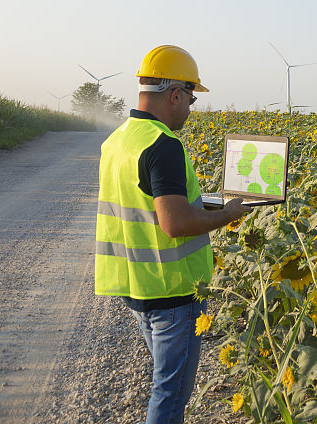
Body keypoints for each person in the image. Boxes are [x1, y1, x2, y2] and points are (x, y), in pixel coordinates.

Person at [94, 45, 247, 424]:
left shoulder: (117, 141)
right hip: (174, 292)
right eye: (191, 98)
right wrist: (227, 214)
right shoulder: (163, 145)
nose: (191, 109)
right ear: (174, 94)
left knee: (164, 384)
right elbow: (174, 223)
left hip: (138, 286)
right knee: (170, 394)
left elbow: (145, 205)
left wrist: (204, 206)